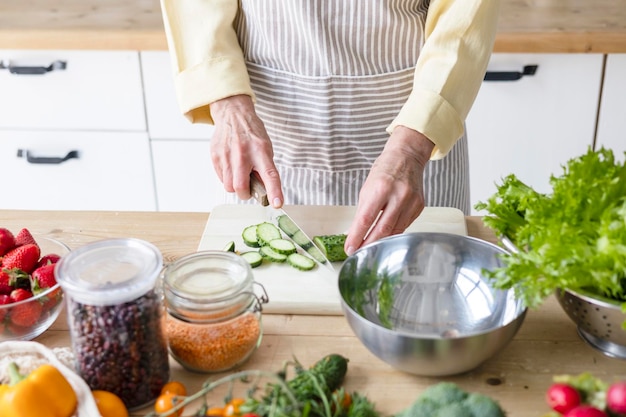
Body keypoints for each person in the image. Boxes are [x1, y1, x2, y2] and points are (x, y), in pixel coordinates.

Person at [160, 0, 501, 256]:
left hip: (415, 132)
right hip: (265, 130)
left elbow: (464, 13)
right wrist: (228, 105)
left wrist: (411, 149)